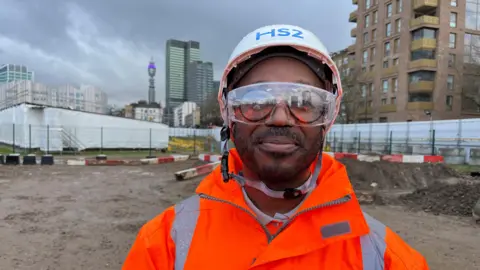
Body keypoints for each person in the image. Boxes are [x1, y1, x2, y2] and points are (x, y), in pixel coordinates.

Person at [122, 24, 429, 269]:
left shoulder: (384, 257)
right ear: (229, 116)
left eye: (304, 102)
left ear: (328, 118)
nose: (281, 118)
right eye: (257, 101)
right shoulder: (163, 247)